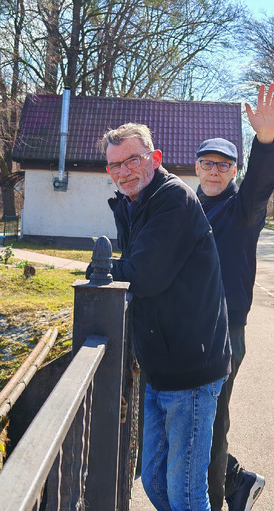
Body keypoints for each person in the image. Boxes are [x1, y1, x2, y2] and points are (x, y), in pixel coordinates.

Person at [101, 122, 232, 511]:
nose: (123, 171)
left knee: (186, 494)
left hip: (191, 367)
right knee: (156, 483)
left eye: (132, 160)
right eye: (113, 165)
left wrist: (104, 270)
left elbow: (145, 275)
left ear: (155, 159)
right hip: (161, 364)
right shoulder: (135, 203)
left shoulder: (171, 198)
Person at [198, 84, 274, 511]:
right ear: (197, 167)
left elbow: (259, 185)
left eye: (224, 165)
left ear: (234, 170)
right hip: (187, 327)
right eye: (207, 163)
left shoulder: (242, 210)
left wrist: (264, 141)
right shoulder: (186, 207)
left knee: (212, 423)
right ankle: (238, 478)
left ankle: (218, 500)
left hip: (227, 332)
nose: (215, 171)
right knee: (193, 420)